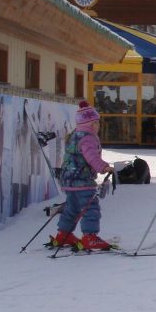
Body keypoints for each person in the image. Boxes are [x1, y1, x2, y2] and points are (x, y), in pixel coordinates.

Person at [50, 102, 114, 251]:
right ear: (91, 124)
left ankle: (63, 234)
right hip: (82, 180)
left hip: (69, 179)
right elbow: (91, 156)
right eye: (97, 123)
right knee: (90, 207)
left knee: (72, 208)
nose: (99, 126)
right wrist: (103, 167)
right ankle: (90, 236)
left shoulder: (74, 135)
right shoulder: (88, 138)